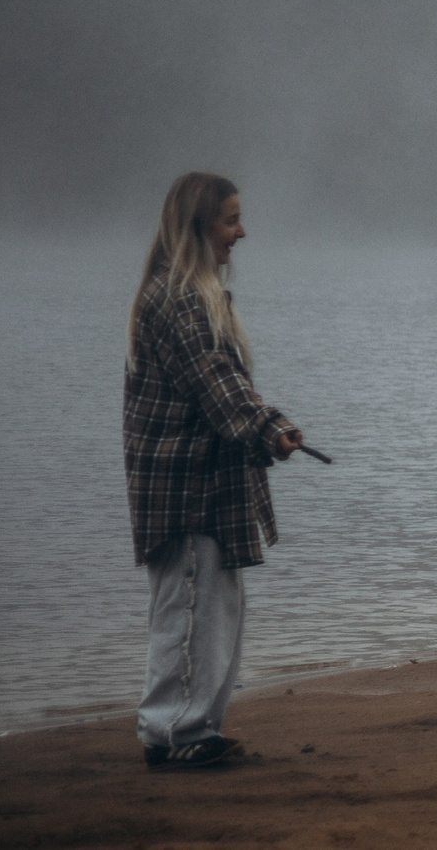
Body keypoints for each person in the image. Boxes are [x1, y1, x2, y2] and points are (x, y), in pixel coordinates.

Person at [123, 172, 303, 770]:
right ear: (199, 227)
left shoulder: (193, 296)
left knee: (212, 611)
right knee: (191, 611)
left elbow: (223, 385)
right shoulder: (179, 300)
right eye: (230, 220)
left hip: (205, 486)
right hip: (186, 488)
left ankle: (192, 729)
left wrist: (267, 425)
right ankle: (175, 734)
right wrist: (269, 429)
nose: (240, 232)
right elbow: (216, 383)